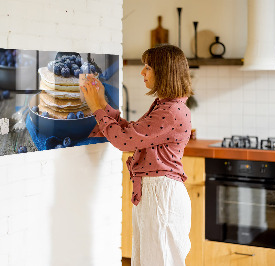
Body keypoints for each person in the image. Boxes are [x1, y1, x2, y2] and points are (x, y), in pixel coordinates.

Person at [81, 44, 193, 266]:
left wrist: (96, 108)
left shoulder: (170, 111)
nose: (142, 72)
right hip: (156, 193)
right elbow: (131, 133)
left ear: (164, 72)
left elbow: (124, 141)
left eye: (148, 67)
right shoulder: (166, 106)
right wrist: (102, 103)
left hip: (161, 196)